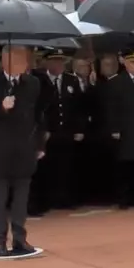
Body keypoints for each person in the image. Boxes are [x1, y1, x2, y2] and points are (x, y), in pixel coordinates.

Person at [0, 44, 46, 257]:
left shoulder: (32, 83)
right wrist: (0, 107)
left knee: (22, 196)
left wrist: (40, 144)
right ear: (6, 61)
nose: (25, 63)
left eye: (26, 59)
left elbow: (39, 116)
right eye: (20, 59)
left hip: (24, 147)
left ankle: (20, 238)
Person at [33, 50, 87, 213]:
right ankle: (45, 200)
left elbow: (79, 107)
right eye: (55, 61)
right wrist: (42, 130)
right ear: (47, 63)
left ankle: (64, 199)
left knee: (66, 166)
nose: (58, 65)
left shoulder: (71, 80)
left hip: (67, 131)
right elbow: (38, 108)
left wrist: (79, 128)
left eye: (61, 61)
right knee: (46, 167)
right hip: (48, 131)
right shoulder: (39, 81)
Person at [105, 51, 134, 208]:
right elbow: (111, 108)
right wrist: (114, 128)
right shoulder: (116, 82)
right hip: (126, 129)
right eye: (133, 62)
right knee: (125, 166)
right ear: (125, 63)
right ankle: (124, 199)